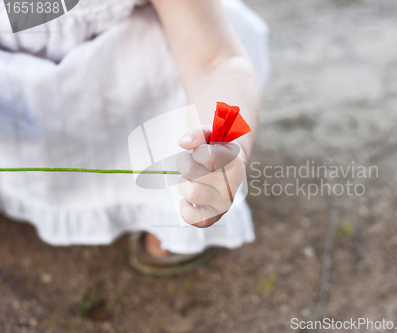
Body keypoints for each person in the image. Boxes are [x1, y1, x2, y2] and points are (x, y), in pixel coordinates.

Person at [0, 0, 269, 275]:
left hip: (124, 82)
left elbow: (214, 61)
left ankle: (165, 209)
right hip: (15, 97)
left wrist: (223, 142)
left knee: (175, 62)